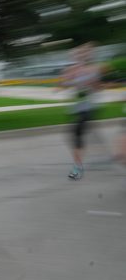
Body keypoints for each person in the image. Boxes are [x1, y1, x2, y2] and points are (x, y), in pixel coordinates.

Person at [59, 42, 103, 180]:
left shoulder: (93, 69)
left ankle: (77, 168)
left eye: (84, 53)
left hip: (89, 108)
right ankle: (82, 159)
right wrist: (66, 78)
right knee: (74, 136)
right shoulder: (72, 70)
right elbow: (64, 85)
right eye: (78, 54)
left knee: (76, 133)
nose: (80, 56)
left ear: (89, 55)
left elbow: (98, 88)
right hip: (76, 109)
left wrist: (91, 81)